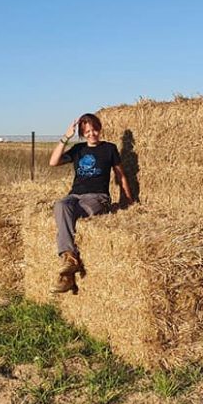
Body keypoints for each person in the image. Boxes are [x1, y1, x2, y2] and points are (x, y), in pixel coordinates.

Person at [48, 112, 134, 294]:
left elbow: (120, 175)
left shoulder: (109, 149)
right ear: (82, 133)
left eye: (94, 130)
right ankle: (70, 259)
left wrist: (128, 199)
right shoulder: (78, 149)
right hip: (75, 196)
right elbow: (53, 162)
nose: (91, 134)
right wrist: (66, 137)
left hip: (97, 197)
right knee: (60, 206)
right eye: (87, 131)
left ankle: (68, 270)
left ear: (100, 129)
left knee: (77, 213)